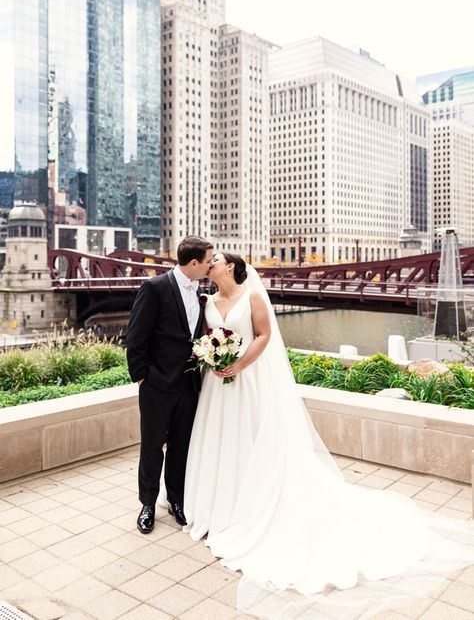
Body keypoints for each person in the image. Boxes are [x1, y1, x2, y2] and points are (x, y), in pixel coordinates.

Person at [183, 253, 474, 619]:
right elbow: (206, 336)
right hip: (218, 386)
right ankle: (220, 504)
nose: (211, 262)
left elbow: (265, 336)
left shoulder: (253, 296)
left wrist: (237, 364)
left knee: (252, 440)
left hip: (248, 379)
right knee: (221, 442)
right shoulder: (207, 301)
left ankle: (251, 503)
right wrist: (213, 359)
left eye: (217, 259)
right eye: (209, 259)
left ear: (232, 267)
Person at [126, 236, 213, 534]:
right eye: (207, 262)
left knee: (181, 446)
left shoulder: (201, 291)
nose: (210, 267)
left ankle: (176, 499)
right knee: (152, 446)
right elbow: (135, 336)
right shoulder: (155, 287)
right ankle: (147, 504)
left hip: (189, 385)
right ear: (193, 263)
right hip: (156, 385)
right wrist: (142, 377)